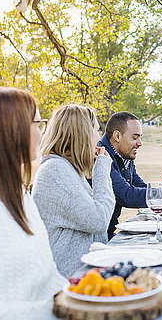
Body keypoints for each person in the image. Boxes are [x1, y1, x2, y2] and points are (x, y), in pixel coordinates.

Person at [0, 87, 65, 320]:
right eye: (38, 123)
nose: (42, 132)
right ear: (14, 132)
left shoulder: (22, 197)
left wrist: (83, 294)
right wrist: (54, 310)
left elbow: (49, 275)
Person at [32, 104, 115, 277]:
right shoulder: (55, 171)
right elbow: (99, 221)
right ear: (83, 134)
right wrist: (102, 170)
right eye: (96, 130)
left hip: (85, 273)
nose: (99, 138)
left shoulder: (69, 169)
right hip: (69, 280)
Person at [98, 111, 147, 238]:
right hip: (100, 237)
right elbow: (127, 195)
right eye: (135, 138)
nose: (140, 143)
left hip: (110, 231)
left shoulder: (125, 155)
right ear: (117, 136)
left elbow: (140, 185)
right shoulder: (100, 156)